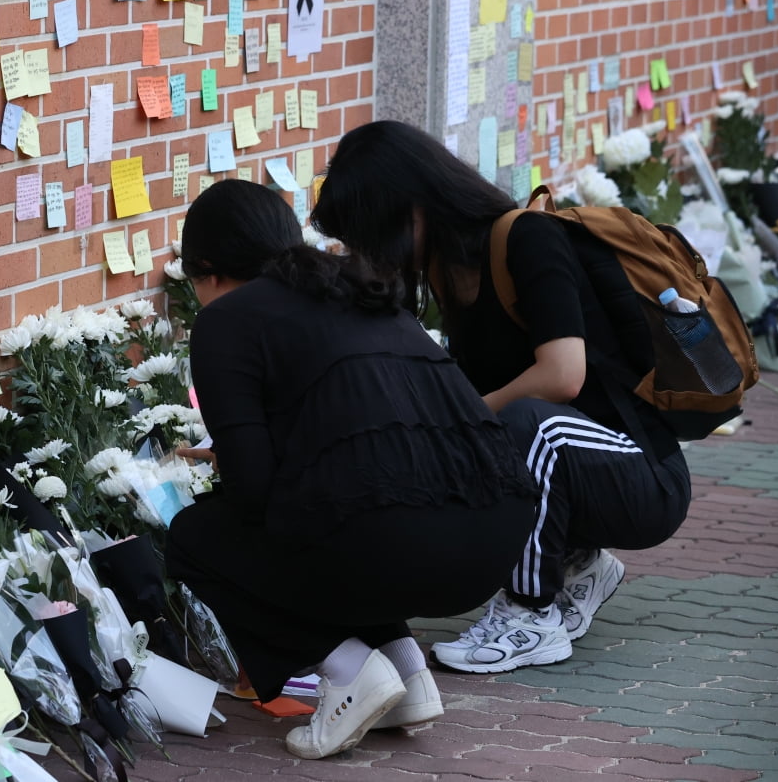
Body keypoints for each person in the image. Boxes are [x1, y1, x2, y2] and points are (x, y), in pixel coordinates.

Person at [164, 180, 539, 759]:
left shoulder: (228, 320)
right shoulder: (358, 289)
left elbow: (252, 490)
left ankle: (349, 671)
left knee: (198, 537)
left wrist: (234, 457)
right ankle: (408, 675)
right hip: (496, 536)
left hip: (400, 540)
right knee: (355, 505)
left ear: (208, 271)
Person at [310, 120, 692, 674]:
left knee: (524, 424)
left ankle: (530, 613)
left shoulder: (526, 237)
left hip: (644, 478)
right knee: (453, 436)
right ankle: (578, 561)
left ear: (412, 204)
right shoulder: (446, 270)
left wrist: (460, 417)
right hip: (575, 468)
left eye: (372, 232)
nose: (372, 251)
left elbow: (564, 376)